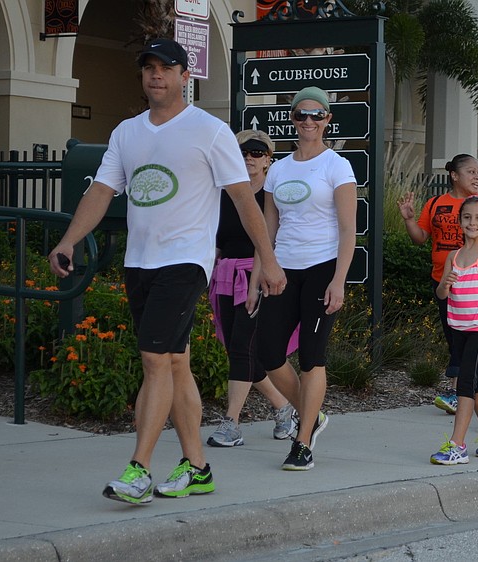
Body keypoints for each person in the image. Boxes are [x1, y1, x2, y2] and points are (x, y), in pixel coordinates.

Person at [48, 39, 286, 504]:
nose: (156, 76)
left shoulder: (210, 131)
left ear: (185, 76)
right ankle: (197, 467)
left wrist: (268, 259)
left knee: (154, 359)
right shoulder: (127, 133)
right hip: (140, 261)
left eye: (167, 68)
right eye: (149, 68)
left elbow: (242, 199)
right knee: (176, 364)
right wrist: (68, 240)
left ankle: (139, 468)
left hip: (186, 261)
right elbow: (101, 190)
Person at [251, 86, 357, 471]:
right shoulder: (277, 169)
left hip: (323, 267)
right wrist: (258, 276)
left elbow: (348, 230)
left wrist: (339, 280)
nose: (308, 121)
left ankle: (303, 441)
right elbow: (267, 228)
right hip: (283, 269)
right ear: (292, 119)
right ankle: (311, 415)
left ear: (327, 119)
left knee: (312, 357)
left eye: (317, 114)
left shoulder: (336, 166)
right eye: (301, 114)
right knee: (268, 353)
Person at [206, 130, 298, 447]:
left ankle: (231, 423)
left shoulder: (269, 196)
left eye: (258, 153)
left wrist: (256, 285)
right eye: (244, 151)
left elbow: (266, 242)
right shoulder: (226, 194)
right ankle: (283, 406)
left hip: (254, 277)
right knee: (238, 351)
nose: (250, 157)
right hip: (224, 276)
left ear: (268, 160)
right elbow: (216, 240)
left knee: (244, 346)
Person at [397, 155, 478, 420]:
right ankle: (468, 396)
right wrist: (409, 220)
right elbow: (420, 238)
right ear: (454, 175)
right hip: (445, 282)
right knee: (454, 337)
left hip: (476, 282)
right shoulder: (436, 204)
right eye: (471, 172)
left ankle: (461, 392)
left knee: (472, 341)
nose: (477, 177)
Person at [430, 195, 478, 464]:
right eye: (467, 217)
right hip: (457, 328)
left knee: (464, 383)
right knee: (473, 386)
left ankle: (457, 445)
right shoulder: (453, 256)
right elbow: (441, 294)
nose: (472, 223)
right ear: (460, 221)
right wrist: (445, 284)